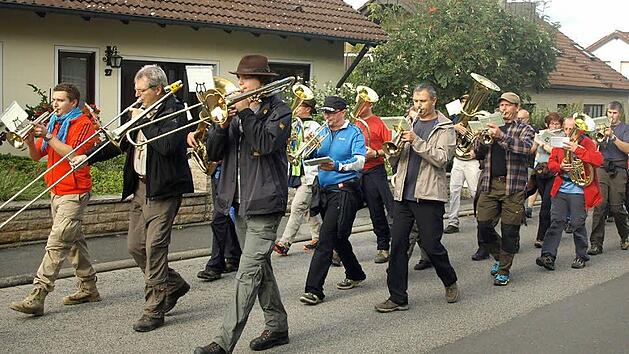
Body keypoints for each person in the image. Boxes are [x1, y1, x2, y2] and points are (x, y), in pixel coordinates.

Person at [72, 65, 193, 332]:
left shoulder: (177, 111)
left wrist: (141, 121)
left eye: (141, 91)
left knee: (155, 248)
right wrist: (87, 157)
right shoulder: (139, 110)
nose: (136, 96)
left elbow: (167, 146)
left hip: (164, 190)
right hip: (140, 188)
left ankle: (154, 309)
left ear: (157, 89)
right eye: (135, 90)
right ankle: (172, 284)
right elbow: (118, 143)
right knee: (136, 247)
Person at [193, 55, 292, 354]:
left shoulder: (279, 110)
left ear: (261, 81)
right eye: (239, 79)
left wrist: (246, 112)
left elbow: (265, 144)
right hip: (238, 204)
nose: (239, 84)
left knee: (246, 273)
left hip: (265, 202)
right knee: (260, 268)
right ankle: (277, 327)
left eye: (246, 80)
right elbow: (213, 152)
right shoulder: (233, 113)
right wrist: (220, 122)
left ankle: (223, 343)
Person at [9, 83, 100, 316]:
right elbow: (36, 156)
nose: (55, 104)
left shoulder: (84, 124)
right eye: (54, 100)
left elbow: (72, 154)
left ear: (73, 103)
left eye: (60, 100)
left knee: (58, 242)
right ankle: (89, 287)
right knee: (73, 242)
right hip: (56, 190)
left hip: (75, 191)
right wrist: (29, 140)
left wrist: (48, 136)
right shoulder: (54, 122)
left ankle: (38, 294)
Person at [375, 83, 459, 313]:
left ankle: (450, 280)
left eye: (422, 101)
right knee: (398, 246)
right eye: (415, 101)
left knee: (432, 246)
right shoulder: (409, 122)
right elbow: (395, 157)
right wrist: (394, 151)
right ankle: (397, 297)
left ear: (433, 101)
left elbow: (442, 159)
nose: (417, 105)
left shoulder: (445, 127)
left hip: (429, 195)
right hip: (403, 193)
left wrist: (416, 141)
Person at [298, 95, 367, 306]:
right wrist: (307, 145)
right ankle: (356, 273)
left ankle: (314, 289)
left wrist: (337, 166)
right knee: (337, 237)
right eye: (325, 113)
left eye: (330, 113)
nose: (326, 116)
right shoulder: (323, 132)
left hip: (344, 190)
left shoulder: (354, 132)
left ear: (342, 112)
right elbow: (308, 158)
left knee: (326, 238)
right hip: (324, 190)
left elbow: (360, 161)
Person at [473, 92, 534, 286]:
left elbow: (525, 148)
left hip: (513, 185)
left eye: (508, 105)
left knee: (509, 230)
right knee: (483, 226)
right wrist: (480, 141)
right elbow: (478, 153)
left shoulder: (525, 128)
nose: (504, 109)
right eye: (501, 105)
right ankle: (499, 255)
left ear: (516, 108)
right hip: (490, 184)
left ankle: (504, 270)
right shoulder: (490, 126)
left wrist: (501, 136)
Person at [536, 115, 602, 270]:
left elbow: (598, 161)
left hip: (579, 189)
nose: (568, 132)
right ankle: (548, 256)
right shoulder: (559, 141)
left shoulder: (586, 142)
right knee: (556, 221)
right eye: (565, 129)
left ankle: (581, 256)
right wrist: (561, 166)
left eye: (571, 129)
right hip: (561, 188)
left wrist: (578, 149)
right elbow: (551, 163)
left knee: (578, 223)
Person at [273, 99, 322, 255]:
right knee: (306, 209)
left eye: (300, 105)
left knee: (297, 207)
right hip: (294, 171)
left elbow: (320, 149)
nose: (296, 108)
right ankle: (319, 237)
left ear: (308, 109)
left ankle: (285, 243)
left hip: (309, 174)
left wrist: (312, 142)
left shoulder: (315, 127)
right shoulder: (293, 125)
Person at [447, 96, 487, 258]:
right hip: (458, 158)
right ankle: (453, 221)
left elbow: (483, 137)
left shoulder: (479, 117)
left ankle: (482, 220)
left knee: (475, 192)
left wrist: (475, 150)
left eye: (467, 102)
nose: (465, 105)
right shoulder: (455, 118)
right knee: (454, 190)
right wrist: (455, 127)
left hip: (471, 160)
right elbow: (443, 128)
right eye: (463, 102)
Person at [355, 98, 394, 263]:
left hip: (374, 171)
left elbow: (392, 148)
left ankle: (384, 247)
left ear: (370, 104)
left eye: (362, 103)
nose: (358, 106)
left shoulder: (379, 123)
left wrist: (376, 153)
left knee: (377, 211)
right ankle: (337, 249)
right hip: (355, 172)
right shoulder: (354, 124)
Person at [589, 101, 629, 254]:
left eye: (615, 113)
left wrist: (612, 137)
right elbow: (592, 147)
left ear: (620, 114)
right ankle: (596, 243)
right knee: (599, 206)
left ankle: (625, 236)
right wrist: (596, 140)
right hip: (602, 167)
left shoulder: (625, 128)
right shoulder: (600, 127)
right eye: (610, 113)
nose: (612, 116)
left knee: (616, 207)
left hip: (618, 168)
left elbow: (627, 149)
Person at [196, 163, 242, 281]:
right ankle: (234, 256)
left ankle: (215, 265)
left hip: (229, 171)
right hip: (218, 170)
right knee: (225, 218)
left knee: (219, 219)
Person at [530, 113, 563, 248]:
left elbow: (557, 152)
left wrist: (544, 145)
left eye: (557, 124)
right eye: (552, 124)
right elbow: (532, 150)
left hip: (553, 172)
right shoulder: (542, 134)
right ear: (547, 124)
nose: (554, 126)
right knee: (545, 201)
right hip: (540, 170)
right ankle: (550, 230)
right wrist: (535, 141)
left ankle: (541, 236)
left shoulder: (561, 136)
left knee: (546, 205)